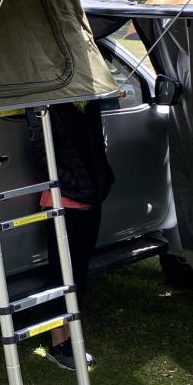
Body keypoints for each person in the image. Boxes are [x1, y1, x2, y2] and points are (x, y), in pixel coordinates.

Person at [39, 101, 114, 370]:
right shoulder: (48, 103)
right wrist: (70, 181)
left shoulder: (89, 103)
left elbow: (97, 145)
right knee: (62, 274)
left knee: (79, 272)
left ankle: (71, 338)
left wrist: (101, 179)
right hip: (63, 199)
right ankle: (58, 345)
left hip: (91, 196)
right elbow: (39, 149)